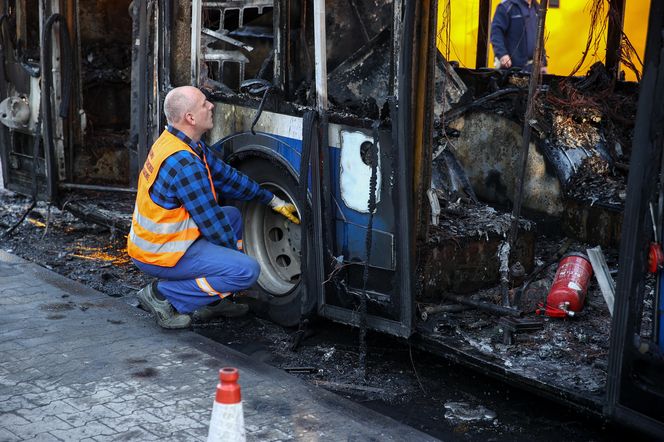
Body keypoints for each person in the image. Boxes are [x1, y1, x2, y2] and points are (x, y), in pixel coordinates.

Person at [127, 85, 300, 329]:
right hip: (160, 255)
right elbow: (213, 227)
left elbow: (226, 176)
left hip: (161, 242)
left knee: (232, 216)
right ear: (190, 118)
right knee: (247, 270)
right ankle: (162, 294)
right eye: (204, 104)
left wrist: (270, 199)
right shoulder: (184, 163)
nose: (211, 106)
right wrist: (233, 272)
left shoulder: (181, 142)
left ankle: (214, 301)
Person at [490, 0, 547, 73]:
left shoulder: (537, 7)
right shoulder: (506, 7)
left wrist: (543, 63)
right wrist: (502, 54)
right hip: (512, 70)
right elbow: (496, 32)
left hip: (533, 70)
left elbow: (540, 37)